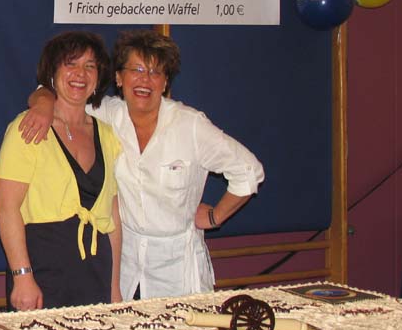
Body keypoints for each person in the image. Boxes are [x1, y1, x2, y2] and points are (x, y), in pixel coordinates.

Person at [20, 30, 265, 300]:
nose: (144, 80)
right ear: (118, 78)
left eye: (155, 72)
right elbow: (53, 92)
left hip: (178, 271)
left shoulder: (190, 125)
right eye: (136, 69)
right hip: (125, 266)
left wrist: (214, 217)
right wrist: (42, 105)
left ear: (165, 82)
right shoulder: (106, 115)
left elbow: (249, 171)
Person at [0, 31, 122, 311]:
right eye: (70, 63)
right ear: (52, 73)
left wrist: (114, 287)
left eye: (90, 66)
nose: (80, 74)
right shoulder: (27, 128)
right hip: (41, 271)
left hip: (95, 272)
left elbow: (112, 215)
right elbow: (6, 207)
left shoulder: (108, 135)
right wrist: (22, 276)